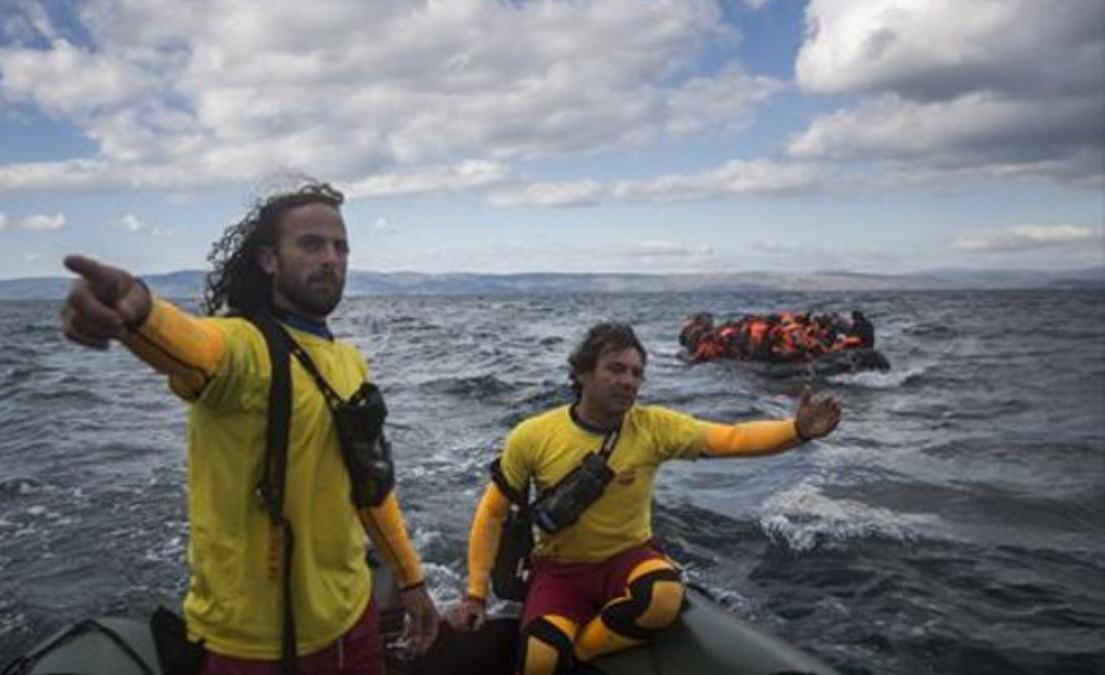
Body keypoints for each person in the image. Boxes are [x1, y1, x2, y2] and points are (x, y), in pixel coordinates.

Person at [60, 182, 439, 674]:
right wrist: (138, 312)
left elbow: (370, 487)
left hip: (354, 621)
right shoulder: (243, 347)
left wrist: (410, 580)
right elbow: (194, 346)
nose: (330, 258)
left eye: (340, 246)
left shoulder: (350, 363)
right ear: (268, 260)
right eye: (311, 244)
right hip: (255, 648)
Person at [449, 322, 841, 675]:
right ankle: (561, 649)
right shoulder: (532, 435)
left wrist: (797, 430)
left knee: (664, 596)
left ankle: (581, 653)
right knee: (538, 660)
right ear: (583, 373)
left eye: (636, 373)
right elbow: (492, 513)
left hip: (628, 556)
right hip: (559, 570)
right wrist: (475, 594)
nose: (628, 381)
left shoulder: (654, 427)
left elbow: (732, 438)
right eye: (615, 368)